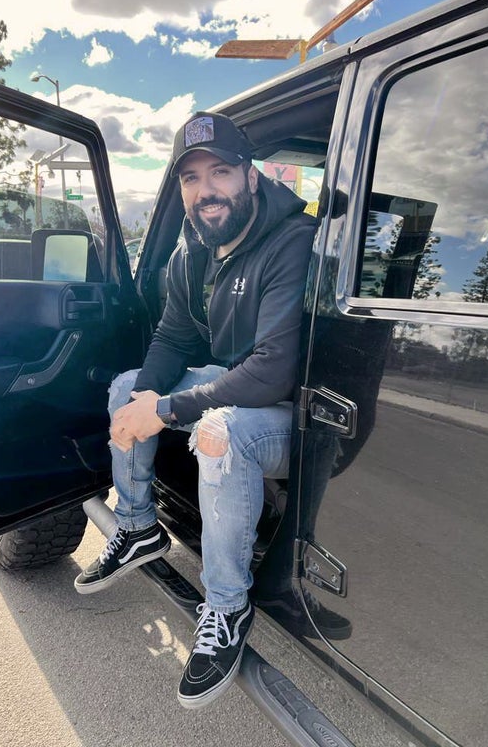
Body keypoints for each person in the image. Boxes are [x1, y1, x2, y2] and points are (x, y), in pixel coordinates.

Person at [74, 111, 317, 709]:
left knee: (219, 432)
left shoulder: (291, 241)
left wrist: (166, 411)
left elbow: (273, 371)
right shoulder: (192, 251)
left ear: (251, 177)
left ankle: (228, 607)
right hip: (237, 388)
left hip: (295, 413)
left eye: (220, 172)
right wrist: (144, 400)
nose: (206, 190)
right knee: (126, 387)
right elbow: (173, 338)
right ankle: (138, 526)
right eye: (191, 178)